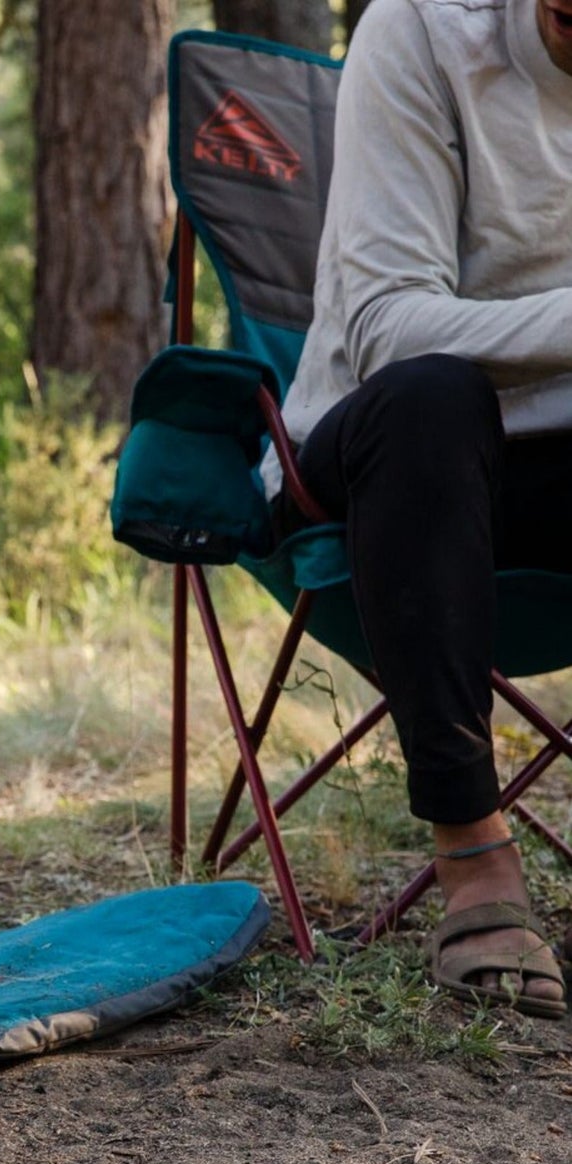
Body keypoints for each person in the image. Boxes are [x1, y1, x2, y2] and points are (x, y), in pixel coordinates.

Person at [271, 0, 572, 1017]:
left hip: (552, 486)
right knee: (436, 397)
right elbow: (390, 329)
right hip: (393, 462)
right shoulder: (425, 32)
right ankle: (474, 854)